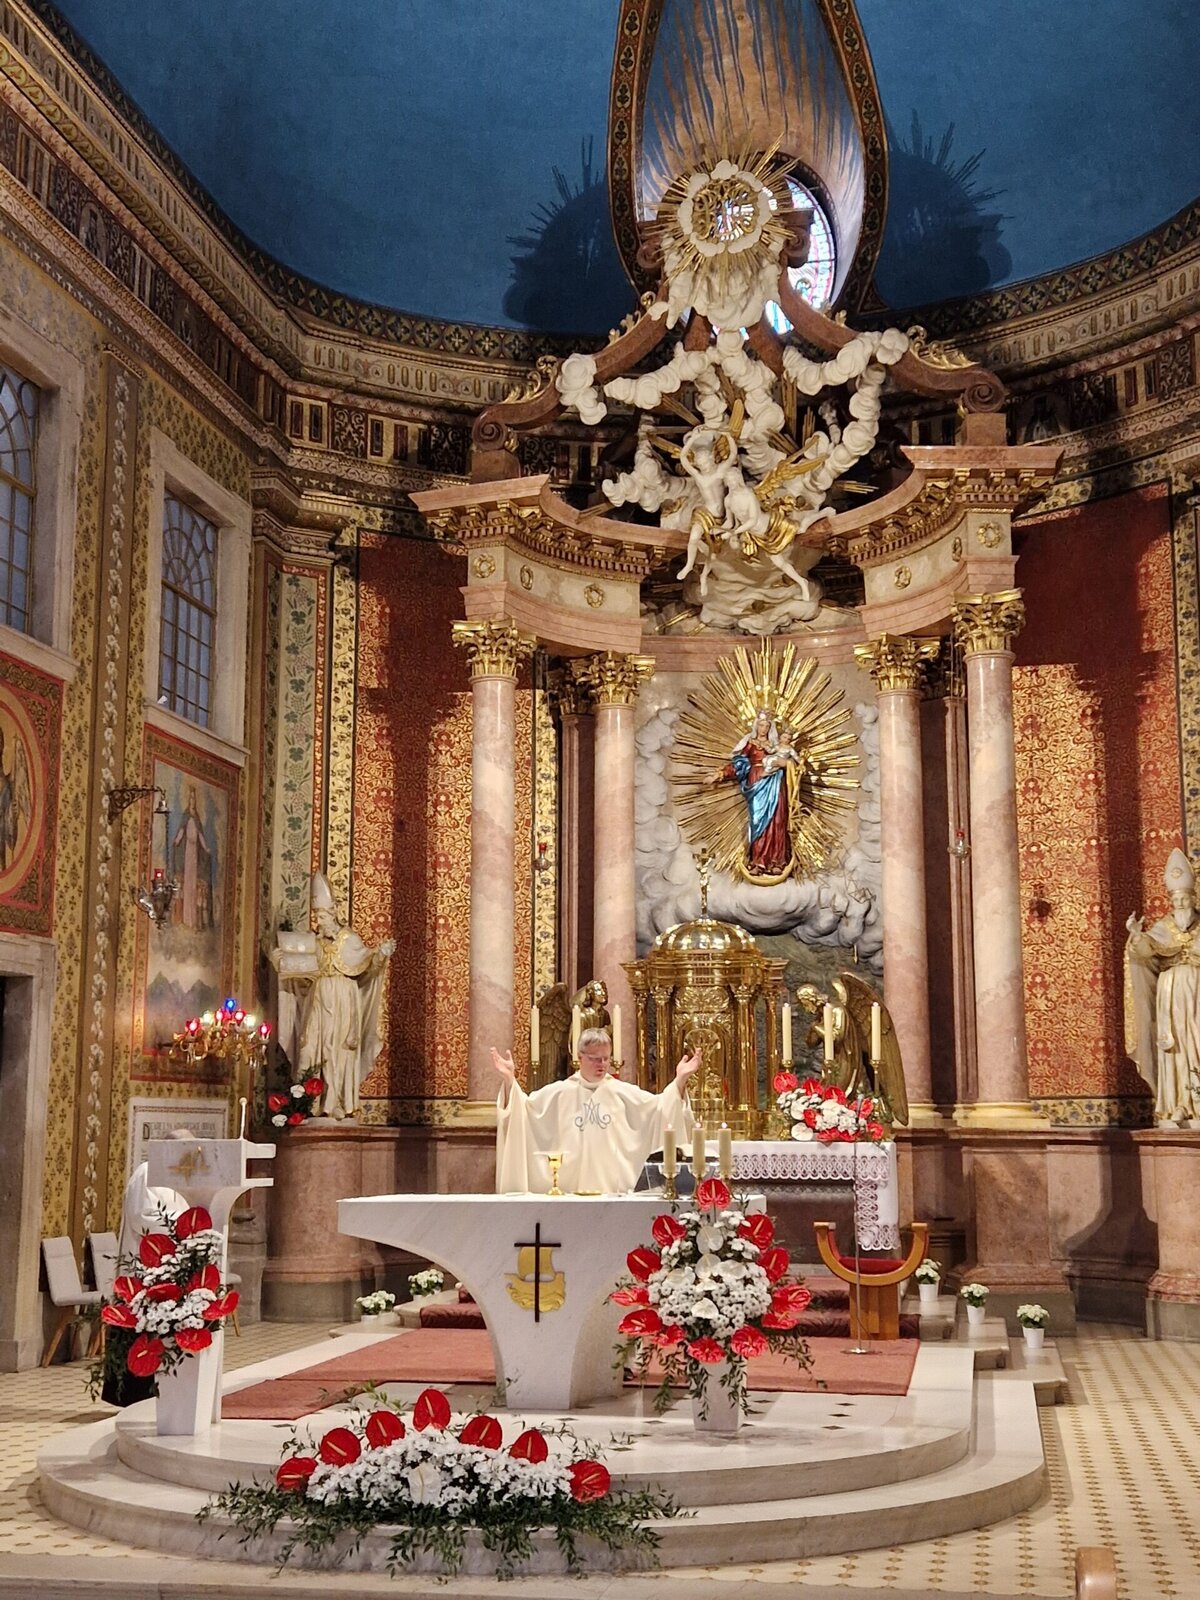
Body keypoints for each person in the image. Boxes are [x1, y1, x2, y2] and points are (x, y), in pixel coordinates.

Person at [492, 1028, 699, 1194]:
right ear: (579, 1057)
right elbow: (524, 1111)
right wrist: (510, 1081)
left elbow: (661, 1107)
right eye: (595, 1059)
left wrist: (680, 1080)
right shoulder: (559, 1093)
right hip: (569, 1195)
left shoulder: (622, 1093)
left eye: (606, 1058)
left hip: (613, 1194)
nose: (602, 1065)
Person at [297, 872, 395, 1120]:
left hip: (343, 998)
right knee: (310, 1046)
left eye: (322, 916)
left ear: (333, 913)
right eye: (316, 916)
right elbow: (301, 973)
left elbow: (367, 964)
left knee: (338, 1051)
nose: (318, 921)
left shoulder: (349, 939)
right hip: (319, 998)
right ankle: (309, 1101)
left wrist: (380, 955)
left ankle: (336, 1102)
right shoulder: (315, 942)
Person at [1125, 848, 1200, 1125]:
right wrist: (1136, 936)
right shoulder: (1164, 927)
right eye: (1176, 899)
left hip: (1197, 990)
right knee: (1175, 1045)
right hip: (1171, 992)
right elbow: (1145, 951)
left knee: (1196, 1040)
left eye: (1185, 899)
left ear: (1193, 898)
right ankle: (1178, 1102)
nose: (1180, 904)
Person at [708, 707, 795, 880]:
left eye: (767, 726)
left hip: (776, 782)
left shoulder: (776, 745)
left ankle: (777, 862)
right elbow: (739, 763)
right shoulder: (750, 743)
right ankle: (758, 862)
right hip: (756, 780)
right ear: (756, 726)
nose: (764, 729)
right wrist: (721, 774)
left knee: (777, 820)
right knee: (757, 820)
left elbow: (794, 763)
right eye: (761, 725)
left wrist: (786, 764)